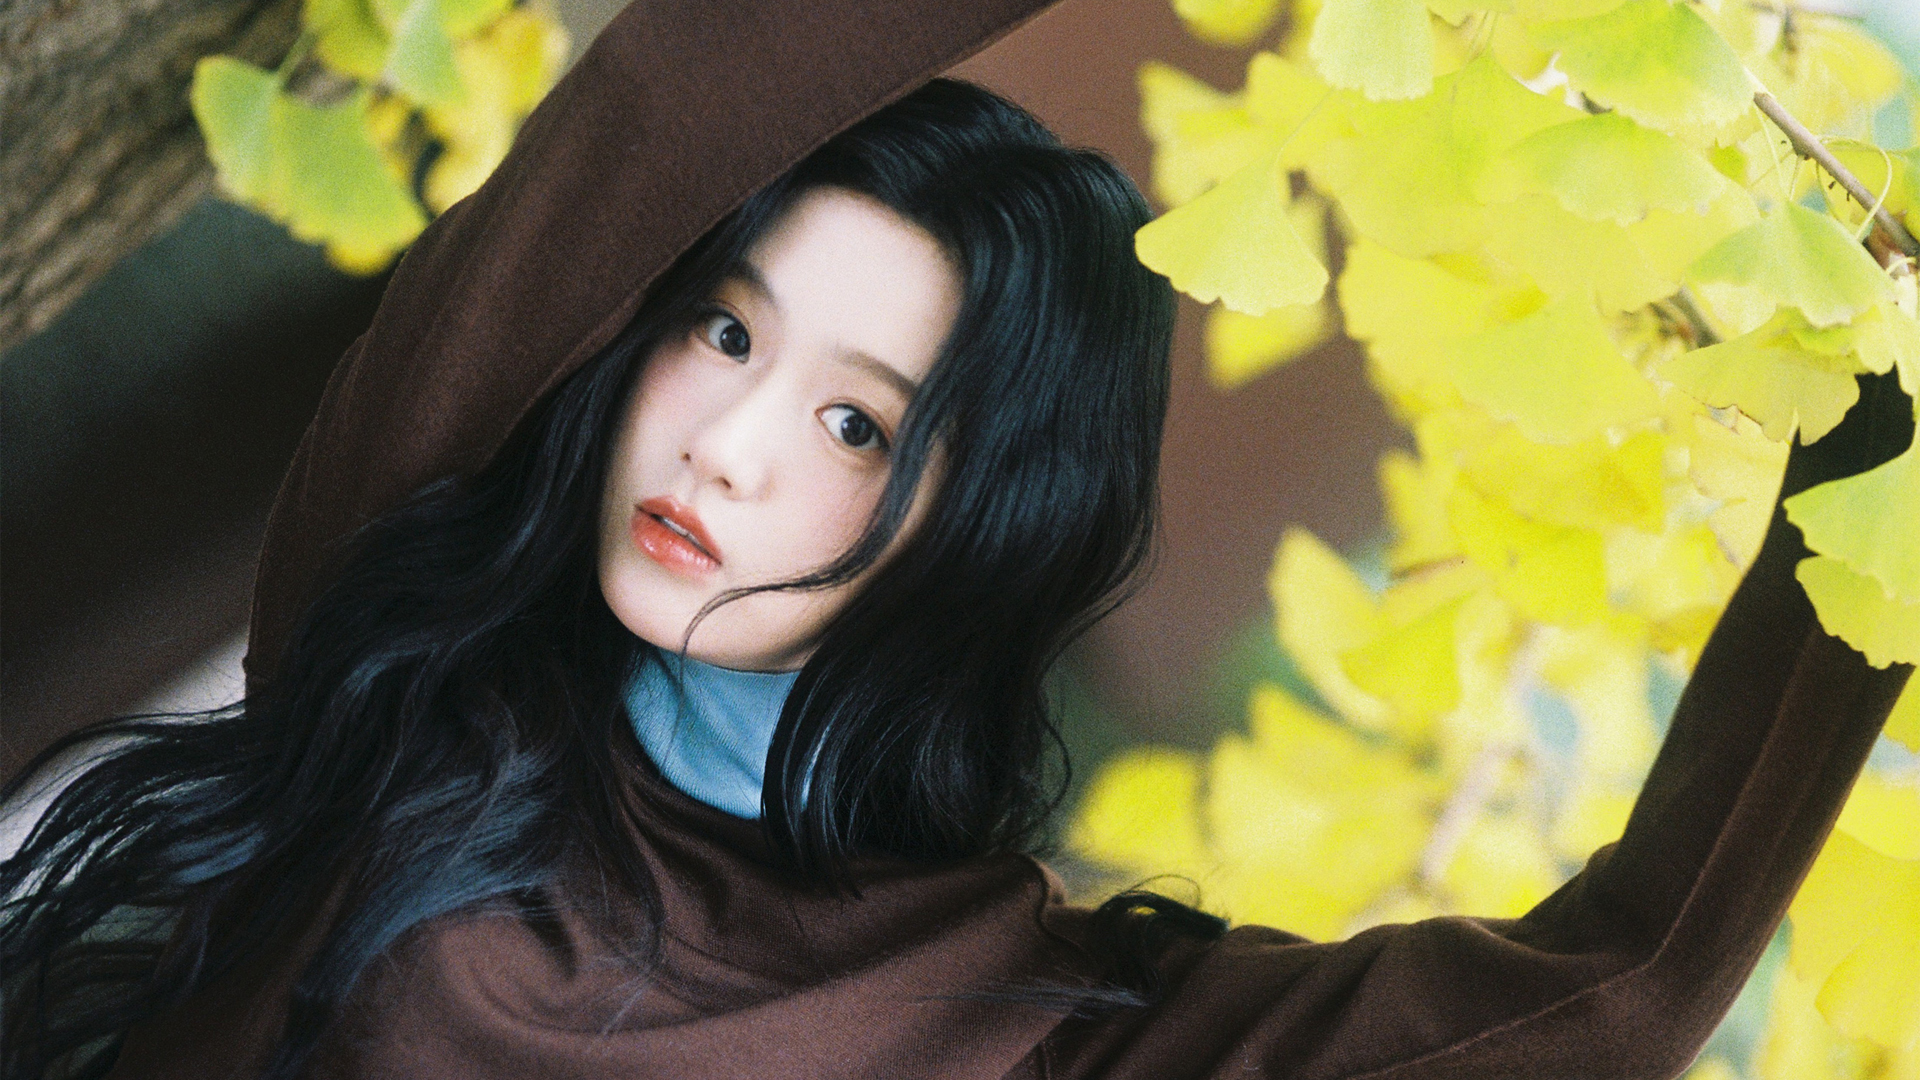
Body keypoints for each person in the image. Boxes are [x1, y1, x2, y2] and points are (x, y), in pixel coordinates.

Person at [1, 2, 1911, 1078]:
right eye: (723, 331)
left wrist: (1889, 432)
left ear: (987, 520)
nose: (728, 443)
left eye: (857, 424)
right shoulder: (416, 653)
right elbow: (664, 99)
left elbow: (1619, 990)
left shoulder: (1029, 1031)